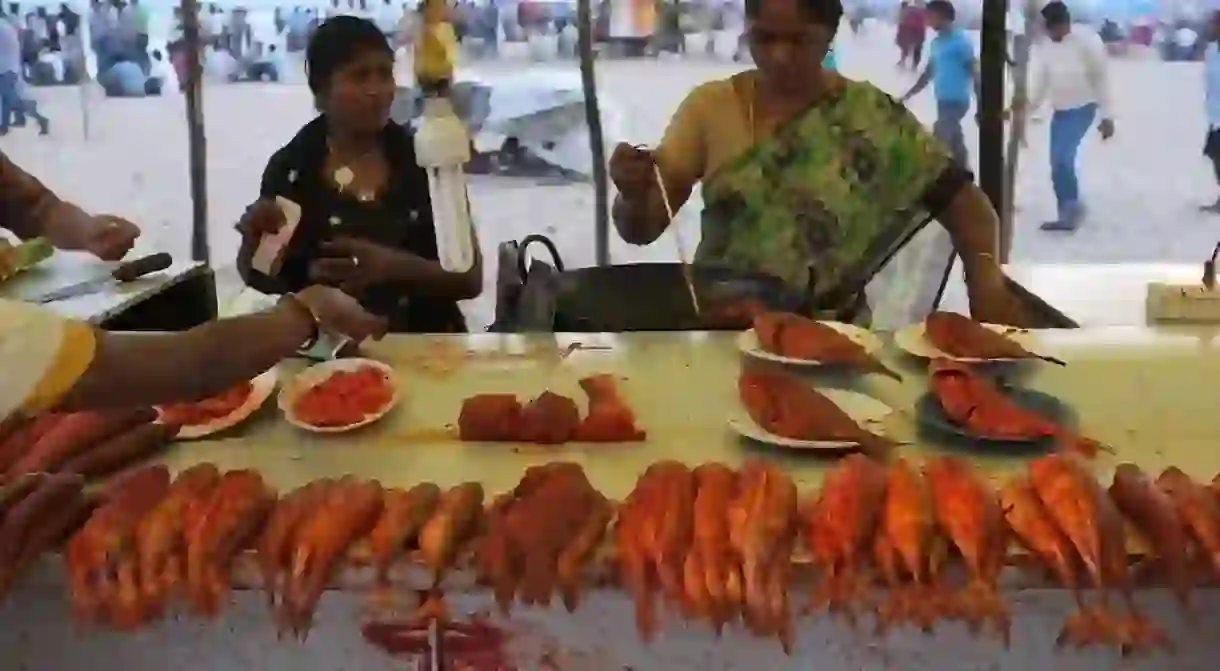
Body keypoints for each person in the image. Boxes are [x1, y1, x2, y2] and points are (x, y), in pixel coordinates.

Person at [608, 0, 1034, 327]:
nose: (778, 56)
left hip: (833, 340)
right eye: (763, 38)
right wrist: (631, 195)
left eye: (798, 41)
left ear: (829, 34)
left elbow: (969, 207)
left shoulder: (869, 115)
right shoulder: (709, 109)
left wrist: (986, 286)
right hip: (724, 331)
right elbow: (641, 230)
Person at [236, 16, 481, 333]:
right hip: (331, 360)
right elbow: (263, 277)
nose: (377, 91)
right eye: (360, 76)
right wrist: (251, 245)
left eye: (384, 74)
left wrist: (393, 267)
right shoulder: (292, 169)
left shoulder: (426, 159)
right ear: (321, 93)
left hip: (427, 347)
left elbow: (470, 279)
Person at [1014, 1, 1112, 232]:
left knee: (1063, 159)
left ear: (1064, 24)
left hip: (1083, 107)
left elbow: (1101, 79)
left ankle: (1071, 210)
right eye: (1046, 29)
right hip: (1060, 110)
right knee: (1056, 163)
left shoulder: (1088, 42)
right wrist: (1027, 109)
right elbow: (1041, 82)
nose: (1050, 34)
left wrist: (1107, 116)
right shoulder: (1046, 46)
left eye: (1052, 29)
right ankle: (1068, 209)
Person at [901, 0, 975, 168]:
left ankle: (929, 173)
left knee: (939, 137)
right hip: (942, 101)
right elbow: (929, 72)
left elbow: (973, 72)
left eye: (930, 15)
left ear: (943, 16)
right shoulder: (936, 43)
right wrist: (909, 93)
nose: (927, 20)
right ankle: (965, 171)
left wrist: (983, 105)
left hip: (957, 101)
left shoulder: (961, 41)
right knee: (955, 140)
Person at [1201, 11, 1220, 213]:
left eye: (1214, 24)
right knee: (1215, 155)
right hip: (1215, 114)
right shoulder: (1211, 50)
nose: (1210, 27)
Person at [895, 0, 925, 70]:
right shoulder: (920, 10)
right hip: (916, 34)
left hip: (913, 33)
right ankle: (911, 67)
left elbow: (902, 24)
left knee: (907, 50)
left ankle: (905, 65)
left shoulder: (908, 11)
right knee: (914, 51)